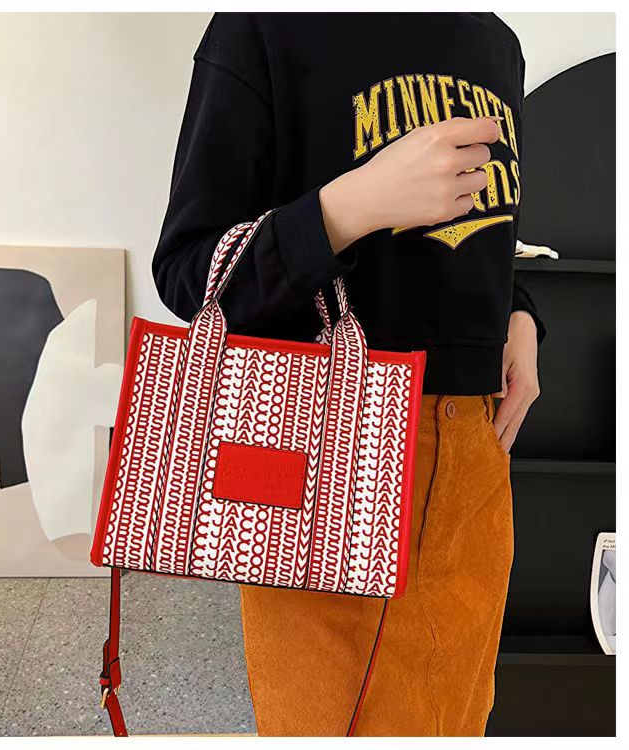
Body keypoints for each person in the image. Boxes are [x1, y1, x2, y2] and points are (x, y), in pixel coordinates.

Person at [152, 12, 545, 737]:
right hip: (328, 443)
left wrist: (518, 311)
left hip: (475, 447)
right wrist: (349, 207)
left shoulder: (495, 41)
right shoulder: (265, 25)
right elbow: (188, 271)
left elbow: (472, 234)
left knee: (457, 721)